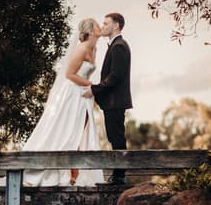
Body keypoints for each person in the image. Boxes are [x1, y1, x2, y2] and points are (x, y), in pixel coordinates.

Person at [23, 17, 105, 187]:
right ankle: (67, 173)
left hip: (84, 95)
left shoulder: (94, 48)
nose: (100, 27)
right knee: (69, 132)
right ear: (90, 31)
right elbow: (70, 74)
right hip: (72, 94)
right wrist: (93, 86)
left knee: (80, 132)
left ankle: (74, 171)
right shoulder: (81, 49)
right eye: (98, 25)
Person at [82, 12, 132, 185]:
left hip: (115, 101)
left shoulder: (119, 46)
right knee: (114, 136)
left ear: (116, 25)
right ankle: (118, 175)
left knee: (117, 137)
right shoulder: (115, 45)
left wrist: (94, 90)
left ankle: (119, 176)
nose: (103, 27)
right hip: (112, 102)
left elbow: (115, 76)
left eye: (106, 24)